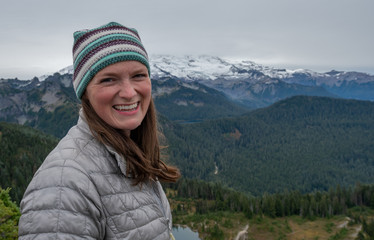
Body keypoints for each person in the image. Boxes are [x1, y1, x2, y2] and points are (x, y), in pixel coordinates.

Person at [18, 22, 180, 240]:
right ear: (85, 92)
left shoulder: (129, 154)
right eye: (108, 79)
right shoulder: (64, 181)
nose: (129, 92)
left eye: (138, 75)